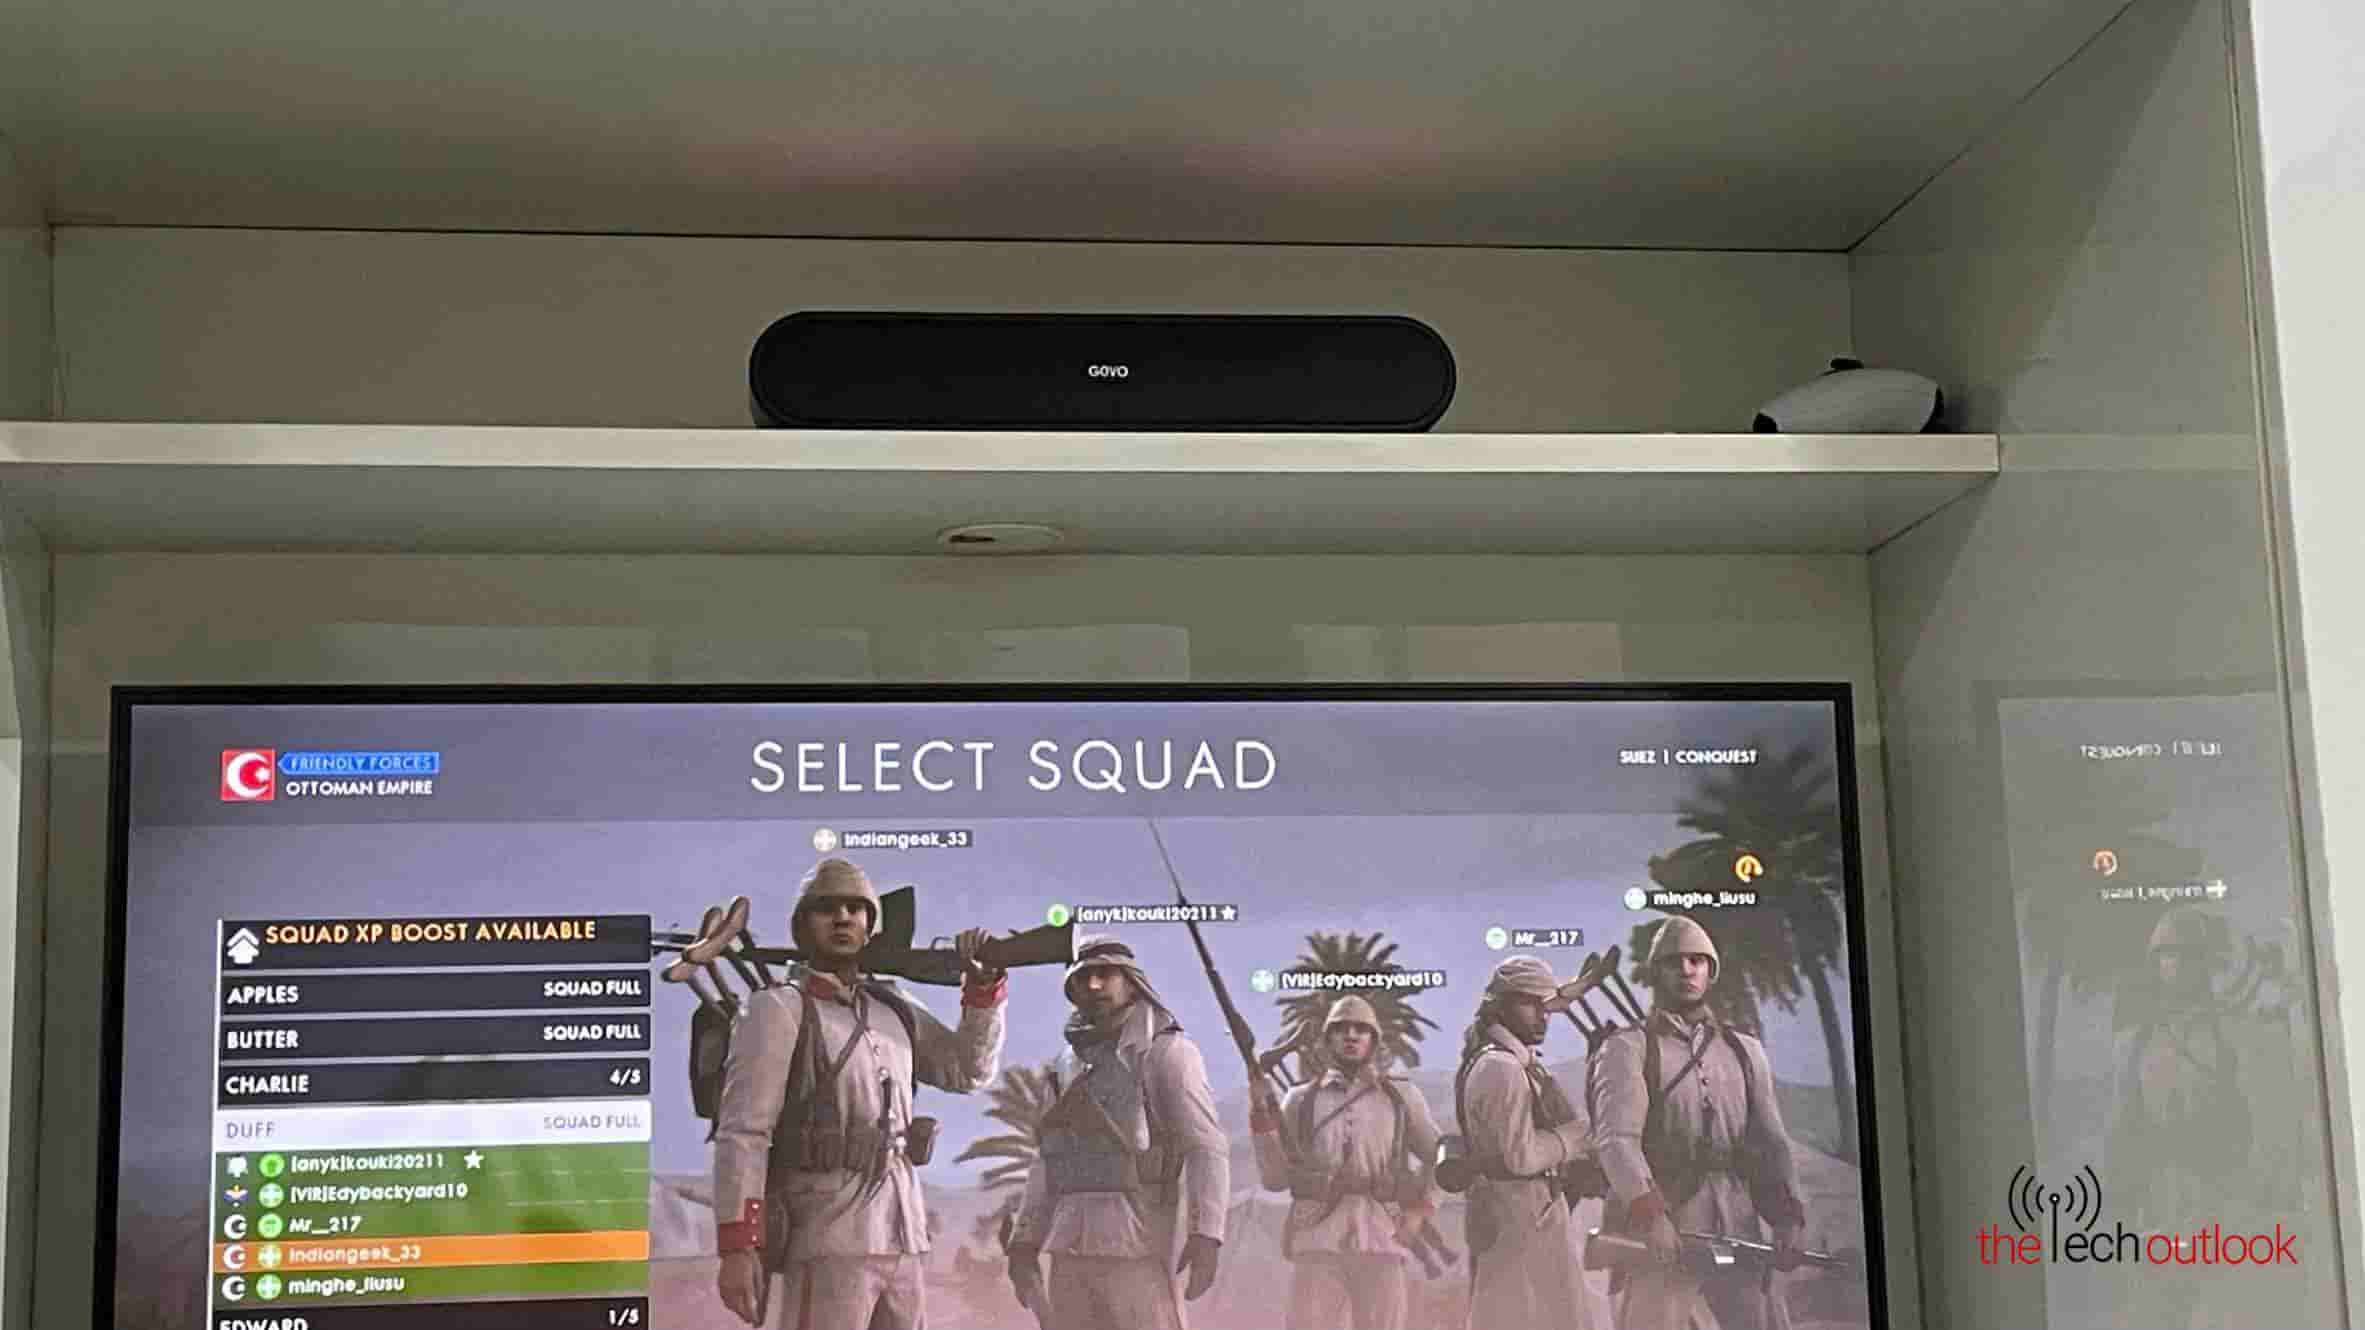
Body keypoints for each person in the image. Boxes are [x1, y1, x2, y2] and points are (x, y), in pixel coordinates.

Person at [712, 857, 1009, 1329]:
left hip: (903, 1231)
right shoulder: (778, 1008)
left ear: (871, 925)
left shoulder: (893, 1005)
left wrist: (983, 989)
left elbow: (966, 1071)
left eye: (856, 908)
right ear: (803, 925)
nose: (843, 917)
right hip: (824, 1233)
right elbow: (744, 1132)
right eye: (826, 908)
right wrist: (738, 1246)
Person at [1589, 916, 1805, 1330]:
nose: (1687, 970)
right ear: (1657, 972)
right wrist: (1651, 1216)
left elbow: (1772, 1142)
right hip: (1666, 1222)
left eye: (1697, 961)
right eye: (1674, 962)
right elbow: (1617, 1141)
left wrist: (1789, 1216)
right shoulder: (1629, 1047)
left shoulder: (1744, 1050)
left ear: (1710, 971)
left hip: (1738, 1220)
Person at [1007, 936, 1230, 1330]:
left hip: (1139, 1243)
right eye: (1082, 978)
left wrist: (1206, 1234)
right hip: (1069, 1245)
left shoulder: (1167, 1052)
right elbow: (1048, 1157)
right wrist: (1025, 1239)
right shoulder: (1064, 1066)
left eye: (1105, 974)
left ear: (1130, 981)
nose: (1093, 985)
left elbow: (1205, 1147)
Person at [1250, 995, 1444, 1330]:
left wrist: (1422, 1210)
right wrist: (1260, 1115)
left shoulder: (1401, 1097)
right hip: (1318, 1240)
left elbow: (1443, 1158)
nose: (1351, 1035)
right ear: (1328, 1039)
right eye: (1341, 1029)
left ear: (1373, 1039)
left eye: (1361, 1029)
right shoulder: (1300, 1099)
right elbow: (1275, 1178)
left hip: (1383, 1239)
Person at [2107, 906, 2253, 1330]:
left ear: (2205, 962)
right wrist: (2120, 1201)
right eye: (2167, 955)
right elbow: (2122, 1125)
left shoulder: (2233, 1033)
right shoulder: (2135, 1040)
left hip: (2219, 1197)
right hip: (2157, 1199)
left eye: (2187, 955)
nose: (2176, 965)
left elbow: (2256, 1123)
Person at [1455, 954, 1596, 1330]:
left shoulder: (1512, 1061)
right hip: (1518, 1211)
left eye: (1545, 1006)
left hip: (1528, 1209)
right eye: (1530, 1004)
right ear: (1501, 1007)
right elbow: (1519, 1157)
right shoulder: (1501, 1068)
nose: (1543, 1015)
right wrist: (1574, 1138)